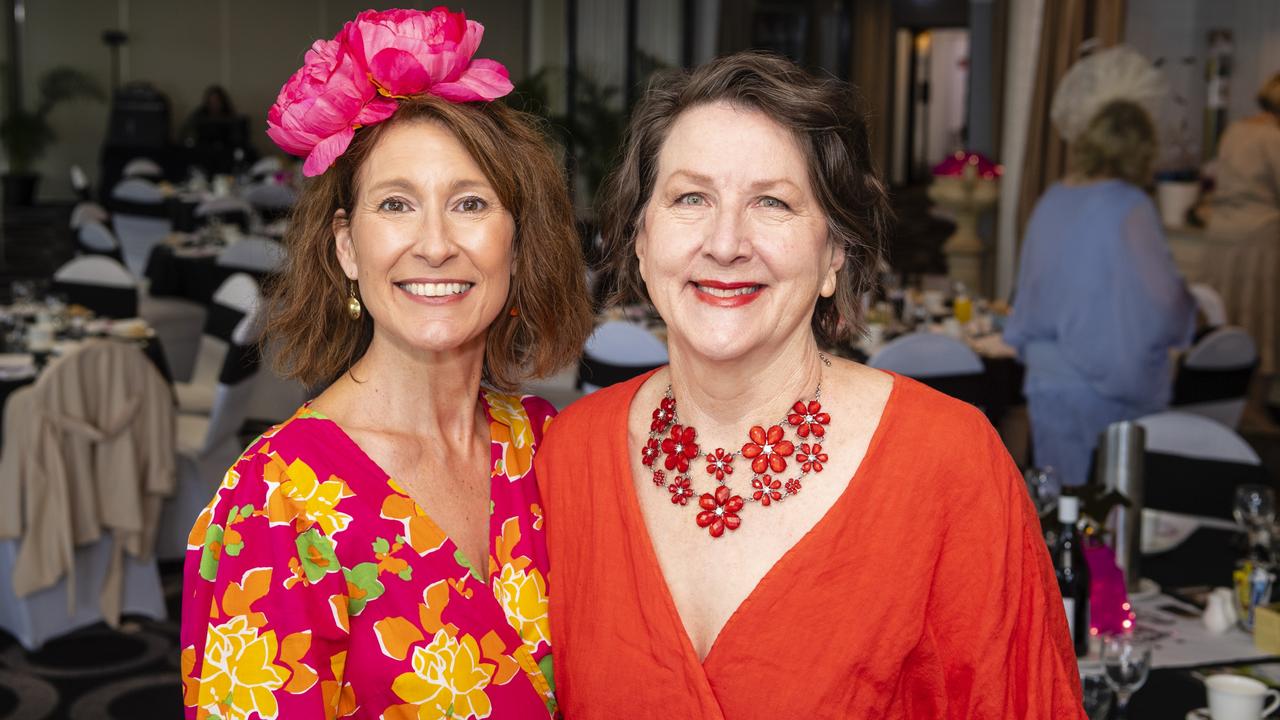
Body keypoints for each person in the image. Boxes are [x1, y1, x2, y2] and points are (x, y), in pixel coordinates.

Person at [535, 51, 1084, 718]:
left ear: (833, 254)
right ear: (641, 239)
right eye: (690, 198)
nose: (726, 241)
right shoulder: (568, 456)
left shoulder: (949, 464)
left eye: (772, 201)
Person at [179, 9, 590, 719]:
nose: (434, 244)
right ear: (346, 246)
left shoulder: (547, 448)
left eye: (469, 203)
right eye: (396, 205)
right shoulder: (278, 505)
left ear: (516, 245)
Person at [1005, 99, 1195, 488]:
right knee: (1109, 509)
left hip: (1047, 375)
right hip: (1100, 378)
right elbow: (1161, 295)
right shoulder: (1129, 204)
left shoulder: (1053, 197)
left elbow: (1032, 282)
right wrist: (1191, 311)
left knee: (1060, 504)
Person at [1204, 72, 1280, 424]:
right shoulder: (1273, 136)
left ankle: (1223, 411)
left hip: (1222, 238)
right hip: (1259, 239)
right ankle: (1256, 416)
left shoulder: (1237, 129)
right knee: (1259, 324)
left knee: (1225, 321)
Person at [180, 85, 255, 175]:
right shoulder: (199, 115)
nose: (214, 104)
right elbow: (188, 133)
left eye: (217, 101)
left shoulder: (231, 116)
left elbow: (238, 138)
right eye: (211, 102)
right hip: (204, 150)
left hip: (226, 151)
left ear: (223, 102)